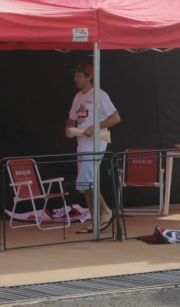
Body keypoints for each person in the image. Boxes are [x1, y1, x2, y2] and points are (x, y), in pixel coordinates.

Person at [65, 63, 121, 234]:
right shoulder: (77, 97)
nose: (75, 79)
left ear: (89, 77)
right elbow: (71, 119)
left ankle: (105, 212)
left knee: (87, 179)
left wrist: (95, 127)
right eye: (75, 76)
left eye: (79, 76)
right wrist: (68, 129)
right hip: (81, 145)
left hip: (95, 144)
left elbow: (116, 118)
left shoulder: (99, 95)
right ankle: (95, 218)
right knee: (83, 183)